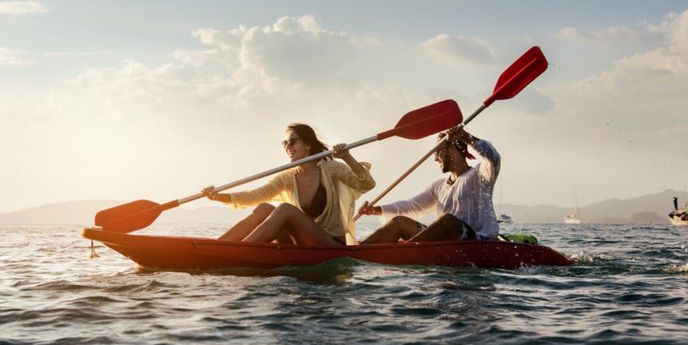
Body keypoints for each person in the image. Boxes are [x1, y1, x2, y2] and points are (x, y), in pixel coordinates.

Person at [202, 123, 375, 246]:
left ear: (307, 144)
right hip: (303, 243)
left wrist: (347, 157)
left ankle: (236, 253)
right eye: (285, 143)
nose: (288, 147)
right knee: (264, 208)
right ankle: (216, 248)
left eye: (293, 141)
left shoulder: (331, 169)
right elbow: (254, 195)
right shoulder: (287, 177)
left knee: (285, 209)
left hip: (330, 243)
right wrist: (218, 197)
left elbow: (366, 184)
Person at [358, 126, 499, 243]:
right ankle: (357, 251)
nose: (435, 158)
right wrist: (375, 210)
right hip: (446, 241)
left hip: (477, 240)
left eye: (438, 152)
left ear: (452, 149)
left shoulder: (480, 175)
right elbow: (411, 206)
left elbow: (493, 157)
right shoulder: (438, 186)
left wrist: (465, 136)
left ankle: (407, 252)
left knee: (448, 220)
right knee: (398, 221)